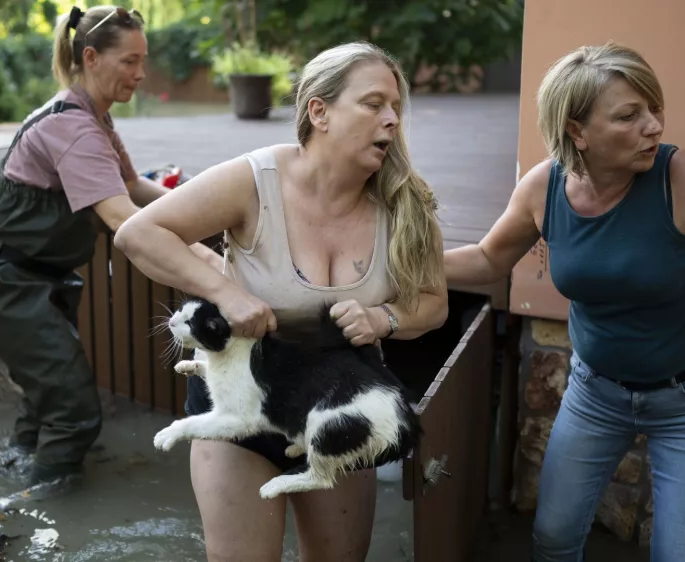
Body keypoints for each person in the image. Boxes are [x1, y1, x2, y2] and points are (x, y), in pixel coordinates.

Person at [444, 42, 685, 562]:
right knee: (554, 537)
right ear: (576, 131)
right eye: (630, 115)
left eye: (654, 108)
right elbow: (489, 259)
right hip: (594, 394)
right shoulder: (544, 188)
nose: (653, 125)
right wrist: (393, 264)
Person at [114, 41, 448, 561]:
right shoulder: (254, 180)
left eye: (397, 108)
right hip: (238, 408)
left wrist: (384, 317)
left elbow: (434, 303)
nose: (391, 120)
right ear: (319, 111)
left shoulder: (407, 203)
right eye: (374, 103)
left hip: (340, 410)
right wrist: (226, 293)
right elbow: (140, 233)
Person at [0, 5, 220, 487]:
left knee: (47, 399)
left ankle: (12, 475)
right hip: (8, 282)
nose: (141, 74)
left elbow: (132, 185)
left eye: (143, 61)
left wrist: (210, 211)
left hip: (34, 278)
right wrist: (208, 263)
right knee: (75, 413)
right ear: (93, 57)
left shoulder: (92, 116)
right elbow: (124, 220)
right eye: (130, 61)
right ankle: (40, 516)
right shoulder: (74, 128)